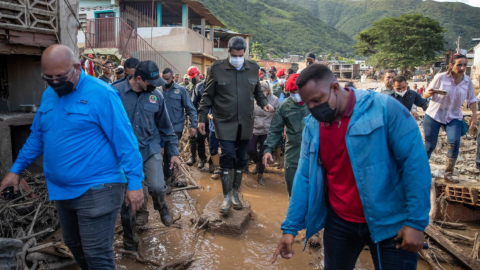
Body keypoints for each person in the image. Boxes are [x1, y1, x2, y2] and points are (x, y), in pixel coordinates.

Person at [272, 64, 431, 269]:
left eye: (317, 100)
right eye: (308, 103)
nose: (313, 108)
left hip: (391, 223)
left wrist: (416, 223)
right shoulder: (313, 126)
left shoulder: (384, 109)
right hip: (339, 222)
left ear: (336, 88)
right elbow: (305, 177)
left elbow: (415, 166)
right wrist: (290, 229)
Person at [0, 44, 144, 269]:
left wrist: (135, 183)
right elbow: (38, 137)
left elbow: (125, 141)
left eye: (60, 76)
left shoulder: (102, 94)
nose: (55, 82)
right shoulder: (50, 94)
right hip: (62, 190)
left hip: (99, 188)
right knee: (74, 244)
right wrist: (15, 170)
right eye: (49, 78)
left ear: (77, 67)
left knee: (97, 254)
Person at [197, 36, 274, 215]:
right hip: (224, 122)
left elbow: (257, 92)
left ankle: (235, 193)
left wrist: (264, 104)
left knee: (241, 158)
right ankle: (226, 196)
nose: (237, 58)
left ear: (244, 53)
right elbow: (207, 96)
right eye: (234, 55)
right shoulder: (216, 68)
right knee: (228, 156)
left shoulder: (253, 68)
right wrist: (202, 117)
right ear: (229, 52)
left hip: (246, 122)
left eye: (240, 55)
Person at [113, 61, 181, 251]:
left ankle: (161, 207)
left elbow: (166, 127)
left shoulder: (156, 96)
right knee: (128, 200)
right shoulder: (114, 93)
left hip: (149, 148)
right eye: (151, 82)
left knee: (158, 186)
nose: (155, 85)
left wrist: (174, 153)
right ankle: (129, 238)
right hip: (123, 154)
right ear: (139, 78)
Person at [423, 54, 478, 183]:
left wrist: (474, 116)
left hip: (454, 116)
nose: (462, 67)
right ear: (451, 65)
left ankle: (448, 173)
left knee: (454, 142)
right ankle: (421, 171)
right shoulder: (440, 77)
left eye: (465, 65)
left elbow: (472, 100)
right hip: (434, 114)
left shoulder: (467, 81)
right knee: (430, 145)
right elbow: (425, 93)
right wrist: (433, 92)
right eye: (459, 64)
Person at [263, 74, 310, 196]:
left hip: (315, 155)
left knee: (315, 194)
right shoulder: (284, 107)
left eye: (297, 91)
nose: (295, 94)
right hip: (294, 155)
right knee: (294, 192)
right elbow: (274, 129)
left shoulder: (315, 103)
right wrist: (268, 149)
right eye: (292, 92)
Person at [160, 68, 197, 188]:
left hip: (175, 128)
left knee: (170, 152)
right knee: (163, 152)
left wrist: (193, 125)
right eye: (163, 79)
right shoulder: (158, 91)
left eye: (168, 79)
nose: (165, 82)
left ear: (173, 78)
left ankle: (168, 180)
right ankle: (165, 176)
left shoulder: (180, 90)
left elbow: (190, 109)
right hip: (160, 128)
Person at [248, 81, 280, 185]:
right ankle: (258, 163)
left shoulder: (274, 100)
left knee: (263, 152)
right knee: (250, 149)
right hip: (255, 128)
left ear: (267, 91)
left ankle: (260, 176)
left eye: (263, 91)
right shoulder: (253, 99)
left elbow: (278, 115)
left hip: (267, 130)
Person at [191, 67, 211, 170]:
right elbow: (193, 104)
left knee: (213, 141)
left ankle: (212, 162)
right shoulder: (199, 87)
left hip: (214, 119)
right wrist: (194, 119)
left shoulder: (220, 87)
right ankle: (202, 159)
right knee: (199, 139)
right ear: (206, 74)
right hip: (201, 118)